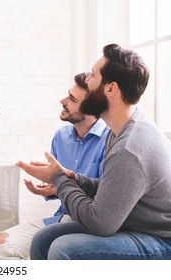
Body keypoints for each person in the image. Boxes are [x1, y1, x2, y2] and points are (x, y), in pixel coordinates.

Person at [19, 44, 171, 260]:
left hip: (161, 239)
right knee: (44, 239)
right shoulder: (119, 130)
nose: (87, 81)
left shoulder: (130, 147)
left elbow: (100, 223)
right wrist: (73, 177)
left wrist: (59, 179)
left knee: (65, 249)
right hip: (135, 225)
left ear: (110, 89)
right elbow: (116, 189)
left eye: (92, 75)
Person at [0, 73, 109, 259]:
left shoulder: (110, 140)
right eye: (68, 94)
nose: (63, 100)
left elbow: (105, 195)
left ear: (90, 110)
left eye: (72, 99)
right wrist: (51, 189)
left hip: (88, 223)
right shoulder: (61, 136)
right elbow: (60, 185)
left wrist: (61, 182)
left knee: (51, 251)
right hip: (61, 217)